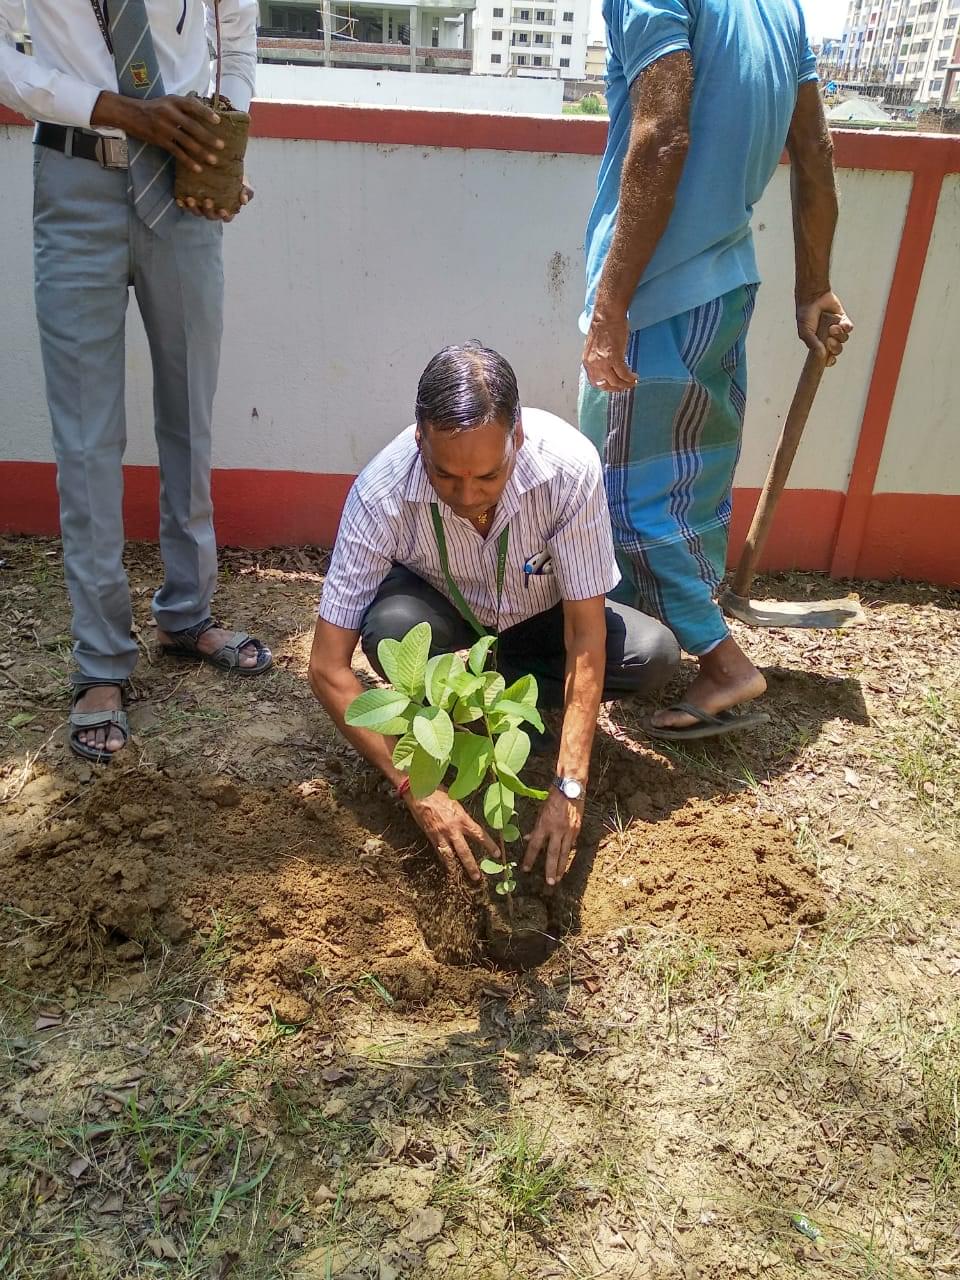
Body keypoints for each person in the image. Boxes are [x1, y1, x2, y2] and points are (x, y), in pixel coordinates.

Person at [0, 0, 270, 765]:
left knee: (190, 415)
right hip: (75, 180)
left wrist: (222, 140)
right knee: (86, 437)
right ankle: (100, 663)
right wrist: (112, 108)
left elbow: (240, 42)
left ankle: (188, 615)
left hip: (180, 189)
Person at [579, 0, 854, 741]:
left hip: (656, 295)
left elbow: (663, 135)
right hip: (727, 285)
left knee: (625, 499)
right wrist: (812, 287)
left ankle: (725, 664)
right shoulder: (779, 8)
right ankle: (645, 647)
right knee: (690, 492)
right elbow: (816, 150)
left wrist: (611, 306)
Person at [309, 343, 680, 887]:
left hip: (539, 617)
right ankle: (472, 699)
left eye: (487, 476)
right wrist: (417, 784)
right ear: (420, 440)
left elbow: (583, 633)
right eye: (446, 477)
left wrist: (569, 784)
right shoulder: (381, 493)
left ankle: (490, 699)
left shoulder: (567, 470)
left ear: (518, 438)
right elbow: (325, 667)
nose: (467, 496)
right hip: (444, 611)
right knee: (391, 630)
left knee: (653, 655)